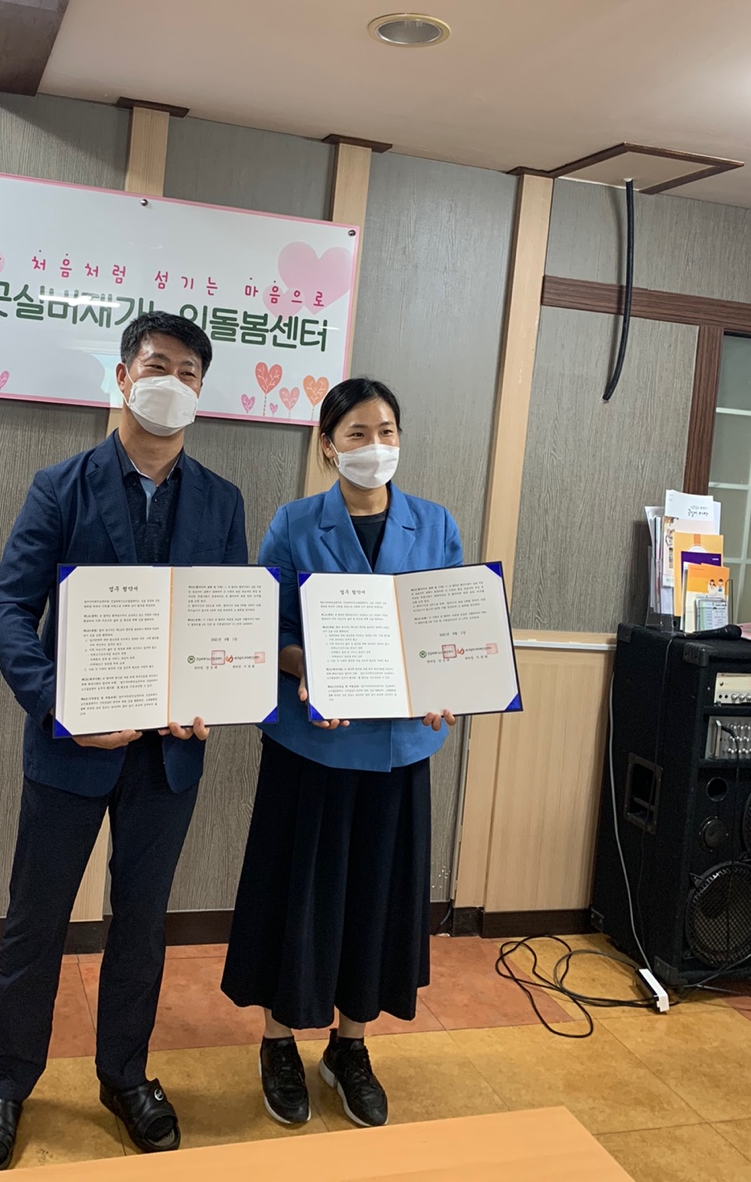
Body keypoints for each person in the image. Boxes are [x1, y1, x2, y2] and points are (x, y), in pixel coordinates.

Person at [0, 312, 247, 1173]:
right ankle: (4, 1085)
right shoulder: (60, 486)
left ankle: (125, 1075)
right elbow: (6, 610)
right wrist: (60, 707)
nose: (172, 383)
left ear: (201, 392)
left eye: (189, 372)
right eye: (157, 366)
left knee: (142, 927)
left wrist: (215, 695)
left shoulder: (223, 501)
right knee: (35, 921)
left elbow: (226, 625)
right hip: (70, 748)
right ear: (122, 378)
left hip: (169, 756)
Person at [220, 377, 460, 1130]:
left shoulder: (435, 524)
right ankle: (278, 1042)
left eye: (386, 432)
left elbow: (447, 627)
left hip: (398, 751)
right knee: (298, 897)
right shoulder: (295, 523)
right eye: (356, 434)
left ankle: (350, 1047)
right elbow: (266, 629)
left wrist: (446, 681)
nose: (374, 447)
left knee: (375, 902)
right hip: (311, 750)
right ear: (327, 446)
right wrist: (309, 667)